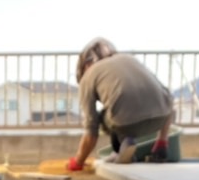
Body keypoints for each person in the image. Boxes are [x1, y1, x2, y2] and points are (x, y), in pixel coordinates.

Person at [67, 38, 174, 171]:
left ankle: (123, 147)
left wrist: (78, 161)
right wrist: (162, 138)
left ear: (86, 64)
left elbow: (91, 130)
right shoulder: (130, 59)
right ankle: (161, 146)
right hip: (162, 118)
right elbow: (168, 96)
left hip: (127, 124)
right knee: (166, 101)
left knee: (103, 116)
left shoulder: (88, 76)